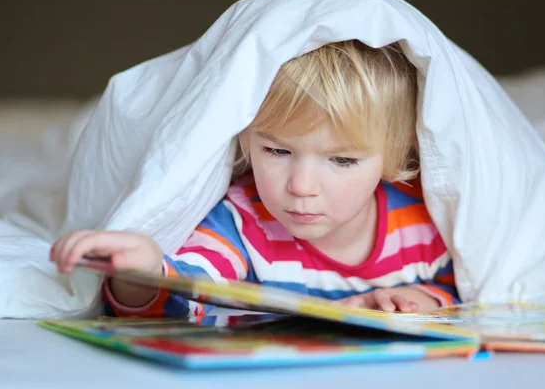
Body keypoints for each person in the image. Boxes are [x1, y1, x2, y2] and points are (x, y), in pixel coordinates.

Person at [50, 40, 459, 318]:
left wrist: (418, 300)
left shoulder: (423, 221)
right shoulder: (243, 221)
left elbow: (468, 292)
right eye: (278, 151)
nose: (301, 185)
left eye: (342, 160)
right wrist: (138, 271)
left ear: (396, 151)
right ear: (245, 138)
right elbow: (185, 292)